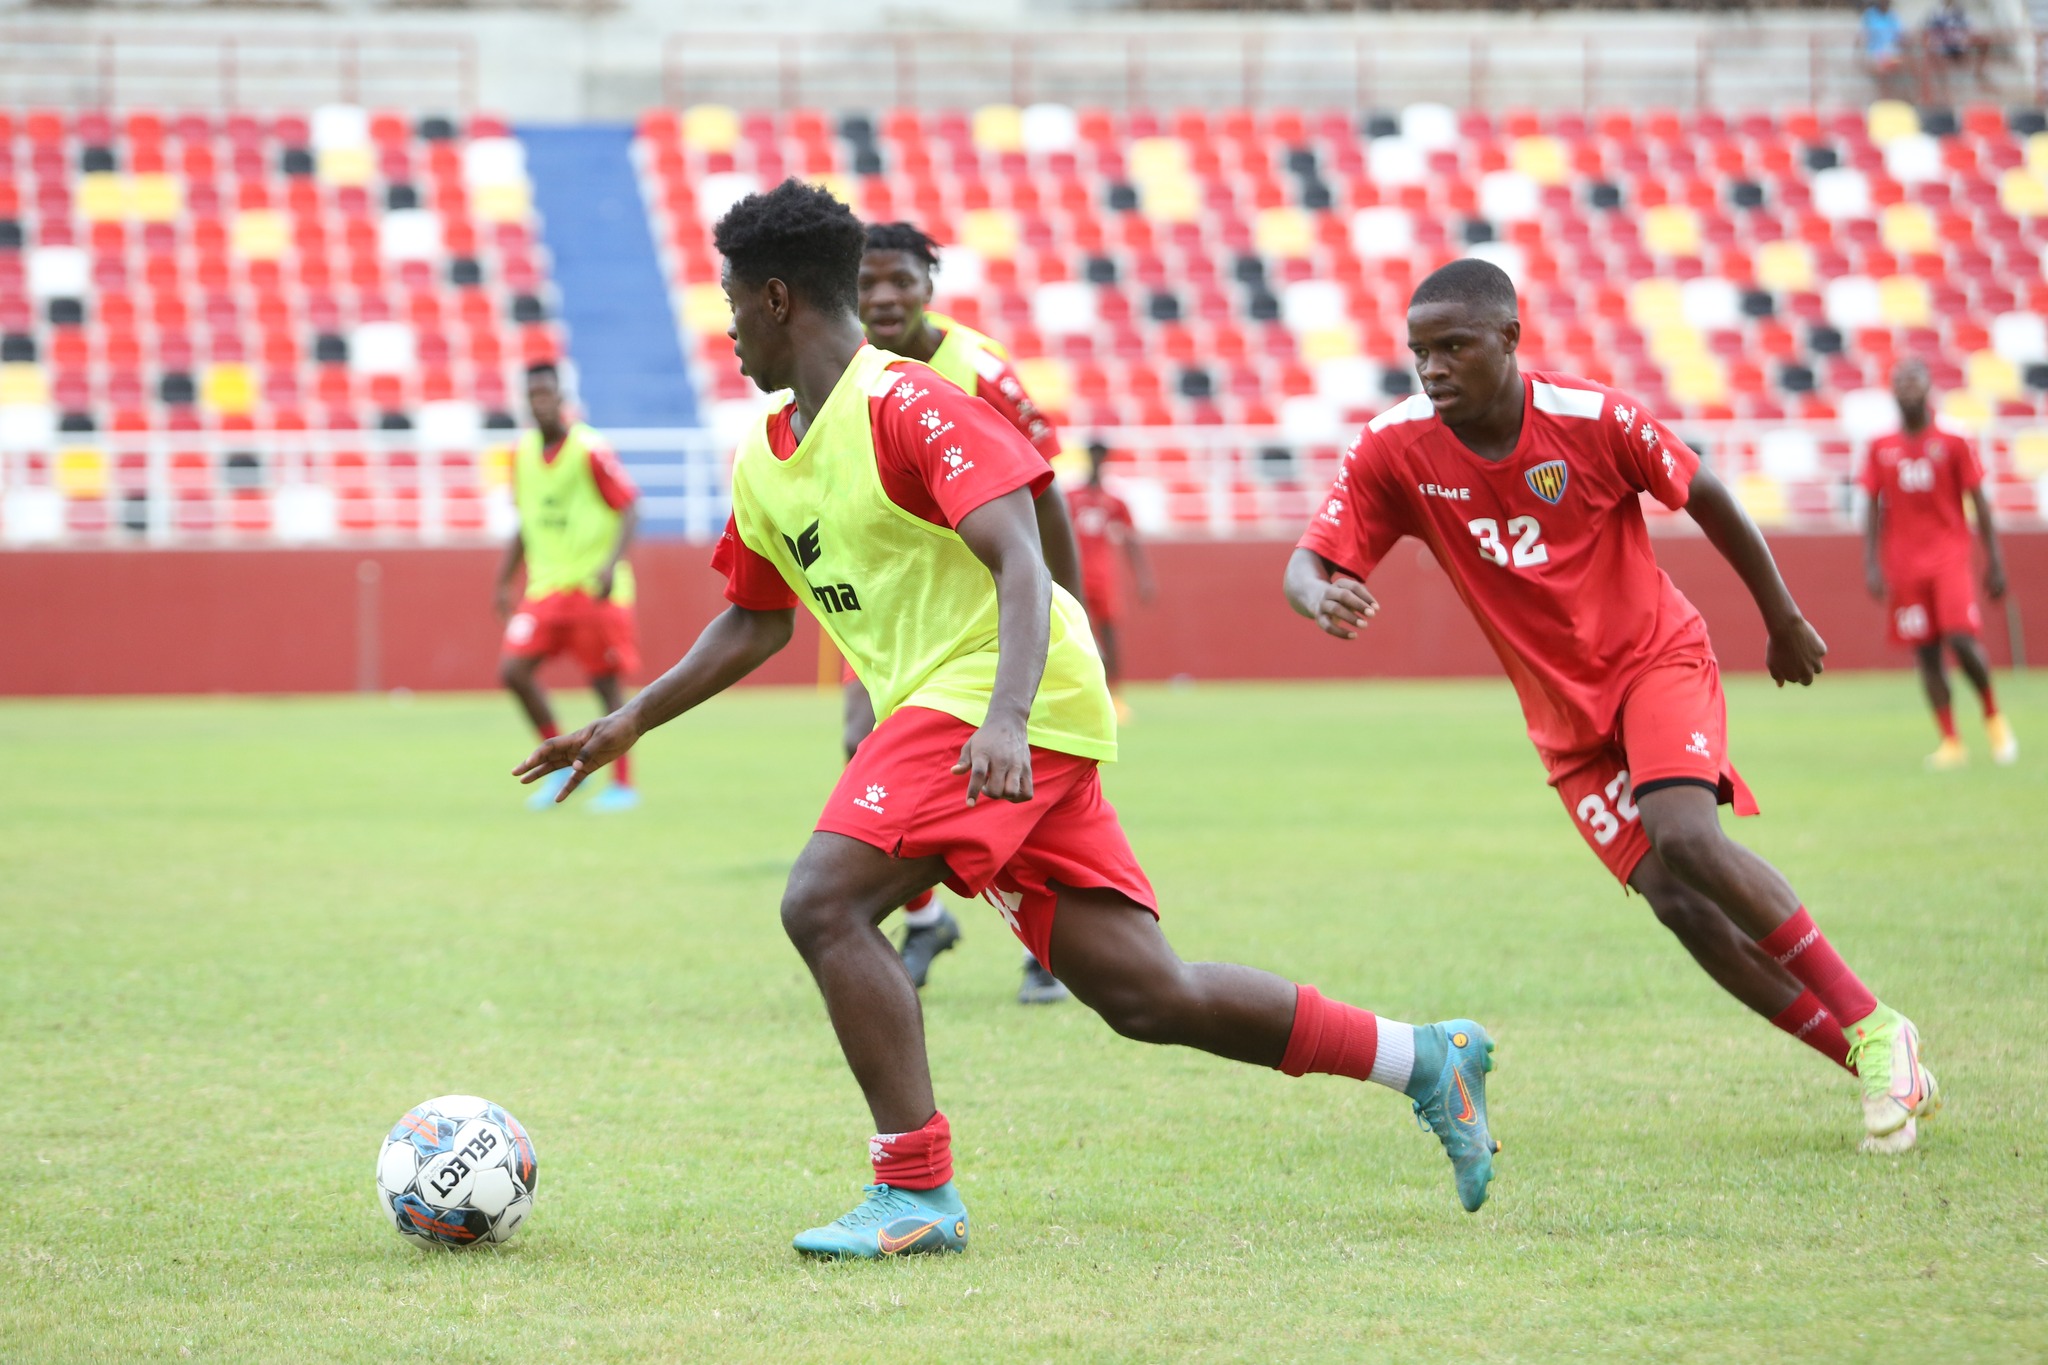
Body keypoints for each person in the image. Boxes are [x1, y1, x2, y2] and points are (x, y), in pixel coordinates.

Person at [516, 180, 1502, 1256]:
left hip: (997, 698)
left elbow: (1021, 557)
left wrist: (1004, 715)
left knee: (823, 903)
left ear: (778, 297)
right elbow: (752, 624)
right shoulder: (766, 455)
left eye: (731, 301)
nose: (726, 325)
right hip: (972, 713)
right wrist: (628, 724)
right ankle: (1422, 1058)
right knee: (1145, 994)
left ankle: (915, 1192)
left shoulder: (911, 405)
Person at [1284, 258, 1939, 1156]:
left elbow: (1704, 492)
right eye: (1418, 352)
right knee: (1678, 901)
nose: (1432, 368)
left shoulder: (1591, 419)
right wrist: (1319, 598)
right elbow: (1305, 562)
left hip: (1652, 660)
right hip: (1564, 719)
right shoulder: (1396, 445)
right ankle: (1869, 1054)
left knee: (1686, 836)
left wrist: (1781, 618)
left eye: (1453, 347)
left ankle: (1873, 1023)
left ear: (1509, 340)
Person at [856, 219, 1086, 1004]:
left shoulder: (980, 370)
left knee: (1034, 764)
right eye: (865, 282)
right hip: (904, 613)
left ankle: (1055, 944)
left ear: (930, 281)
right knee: (861, 742)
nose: (883, 297)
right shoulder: (849, 376)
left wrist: (1068, 608)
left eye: (900, 280)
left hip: (997, 607)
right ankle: (924, 922)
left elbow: (1044, 497)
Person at [494, 362, 642, 812]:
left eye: (547, 393)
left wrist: (608, 566)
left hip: (592, 589)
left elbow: (630, 507)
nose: (540, 402)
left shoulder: (590, 449)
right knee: (513, 672)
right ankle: (556, 761)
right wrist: (503, 580)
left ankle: (621, 784)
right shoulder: (520, 455)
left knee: (605, 687)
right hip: (545, 590)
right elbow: (527, 521)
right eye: (532, 394)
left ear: (562, 398)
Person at [1862, 357, 2014, 768]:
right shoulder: (1881, 447)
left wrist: (1995, 561)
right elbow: (1873, 505)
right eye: (1899, 382)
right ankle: (1951, 741)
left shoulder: (1953, 441)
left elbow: (1978, 500)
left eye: (1913, 381)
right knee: (1925, 652)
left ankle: (1993, 716)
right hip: (1905, 565)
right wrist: (1872, 564)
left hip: (1949, 558)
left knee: (1961, 639)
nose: (1906, 389)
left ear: (1928, 387)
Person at [1067, 441, 1156, 718]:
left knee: (1109, 633)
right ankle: (1075, 693)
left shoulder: (1114, 500)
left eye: (1100, 455)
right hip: (1075, 574)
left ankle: (1115, 695)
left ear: (1105, 458)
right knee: (1071, 632)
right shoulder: (1070, 496)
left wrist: (1143, 576)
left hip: (1102, 576)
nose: (1096, 460)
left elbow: (1130, 539)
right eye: (1092, 455)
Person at [1861, 0, 1909, 95]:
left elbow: (1901, 36)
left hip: (1892, 53)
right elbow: (1864, 36)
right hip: (1876, 54)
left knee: (1906, 65)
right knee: (1883, 69)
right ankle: (1885, 96)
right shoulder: (1870, 15)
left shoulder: (1892, 15)